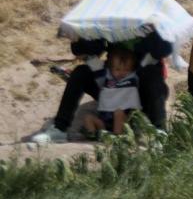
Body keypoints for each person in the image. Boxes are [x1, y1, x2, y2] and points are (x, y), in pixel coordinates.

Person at [32, 35, 171, 144]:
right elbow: (86, 50)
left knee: (151, 72)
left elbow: (165, 48)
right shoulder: (110, 15)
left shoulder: (151, 15)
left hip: (142, 89)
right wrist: (80, 35)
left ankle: (160, 132)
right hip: (112, 84)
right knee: (81, 71)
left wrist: (151, 30)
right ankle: (59, 129)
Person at [81, 47, 141, 137]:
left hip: (124, 120)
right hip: (104, 121)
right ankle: (94, 134)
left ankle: (117, 137)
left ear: (131, 70)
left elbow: (145, 65)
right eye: (117, 69)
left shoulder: (133, 78)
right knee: (87, 117)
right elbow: (96, 66)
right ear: (110, 69)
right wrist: (87, 57)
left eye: (126, 70)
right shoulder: (106, 79)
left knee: (118, 112)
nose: (121, 73)